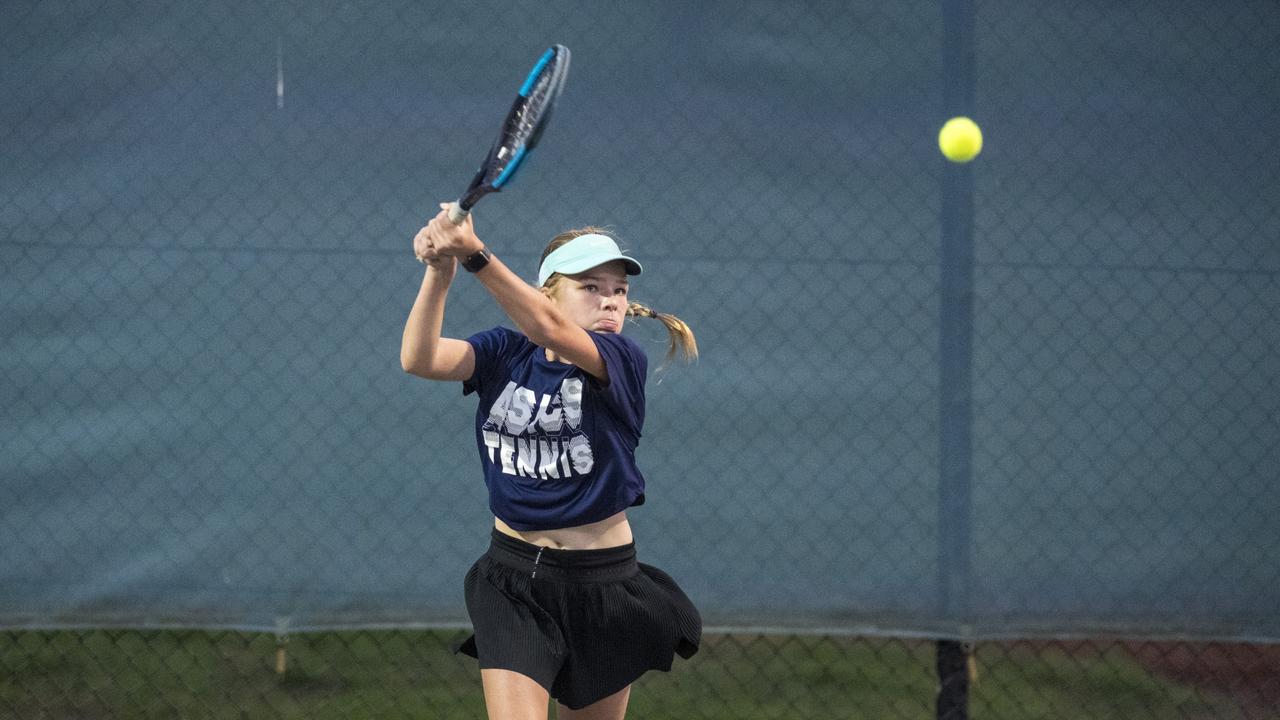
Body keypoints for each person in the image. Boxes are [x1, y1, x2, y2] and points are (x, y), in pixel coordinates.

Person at [401, 204, 702, 720]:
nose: (610, 301)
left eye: (619, 290)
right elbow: (420, 358)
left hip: (603, 585)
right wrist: (439, 271)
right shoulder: (504, 353)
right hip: (513, 579)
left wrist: (473, 252)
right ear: (548, 292)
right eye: (591, 287)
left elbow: (547, 327)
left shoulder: (622, 360)